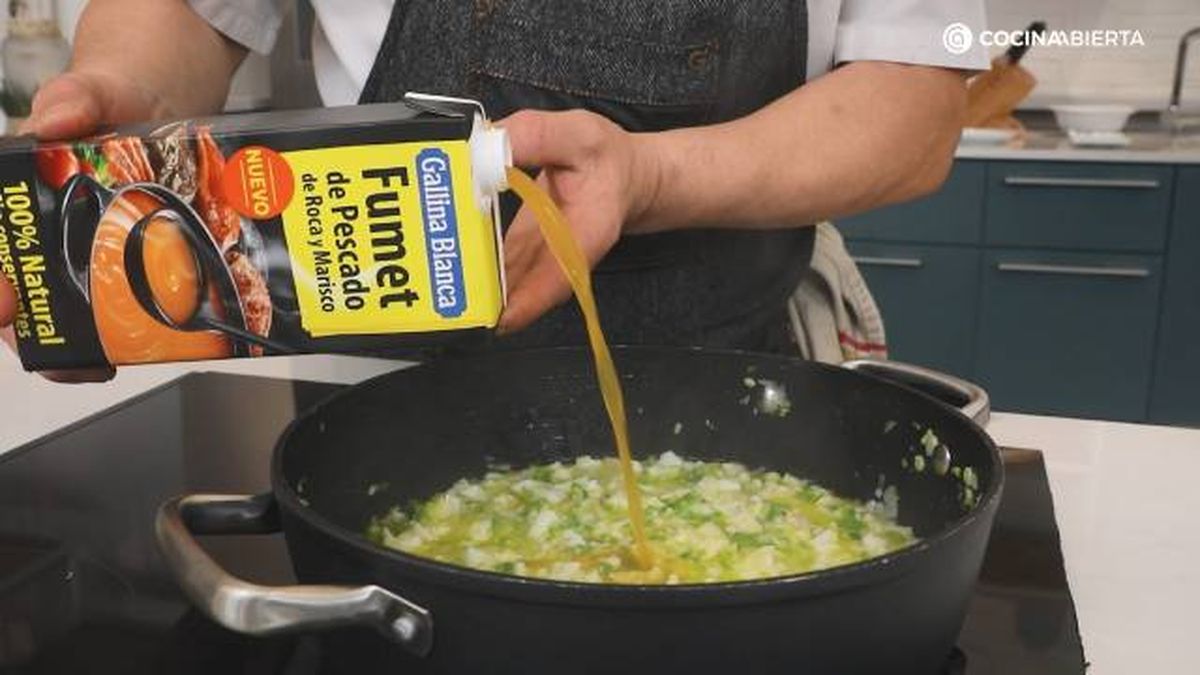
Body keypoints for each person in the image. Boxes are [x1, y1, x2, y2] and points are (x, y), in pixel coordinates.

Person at [0, 0, 987, 380]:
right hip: (372, 395)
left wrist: (651, 177)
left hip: (737, 380)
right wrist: (125, 102)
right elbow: (186, 13)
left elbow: (919, 103)